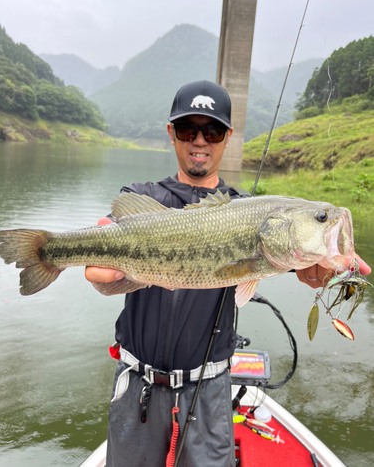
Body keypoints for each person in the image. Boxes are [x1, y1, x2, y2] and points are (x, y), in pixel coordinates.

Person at [85, 80, 371, 467]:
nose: (200, 140)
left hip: (209, 392)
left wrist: (319, 273)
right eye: (189, 129)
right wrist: (98, 266)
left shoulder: (249, 213)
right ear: (172, 134)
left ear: (227, 137)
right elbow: (104, 272)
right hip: (138, 389)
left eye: (212, 130)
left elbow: (299, 266)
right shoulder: (144, 197)